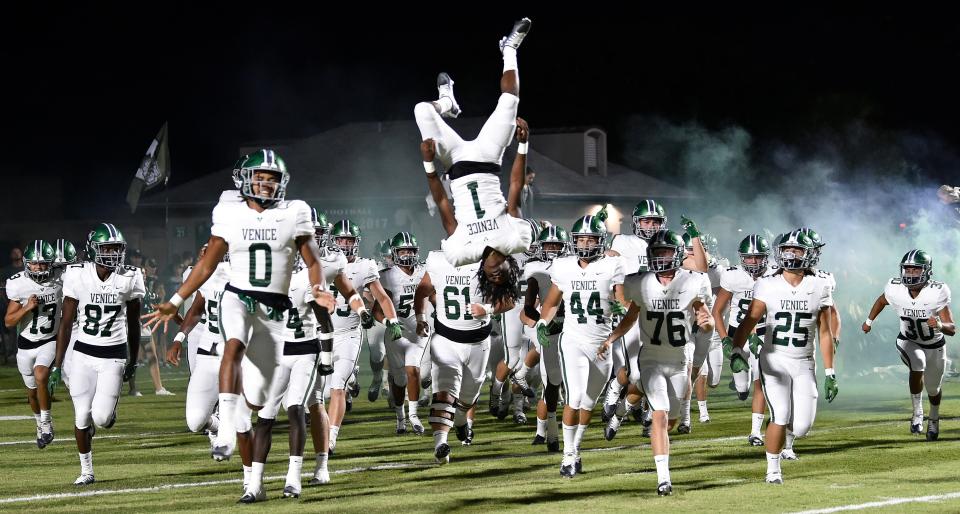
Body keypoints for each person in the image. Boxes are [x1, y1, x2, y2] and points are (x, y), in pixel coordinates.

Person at [143, 149, 336, 503]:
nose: (266, 184)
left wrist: (319, 289)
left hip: (273, 315)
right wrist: (173, 301)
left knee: (260, 404)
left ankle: (251, 474)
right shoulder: (229, 214)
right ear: (245, 182)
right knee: (234, 343)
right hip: (238, 299)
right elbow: (205, 266)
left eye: (272, 178)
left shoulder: (295, 213)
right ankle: (226, 428)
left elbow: (313, 259)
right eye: (260, 177)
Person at [415, 18, 535, 280]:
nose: (496, 275)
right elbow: (515, 186)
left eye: (491, 280)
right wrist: (523, 145)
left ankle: (446, 103)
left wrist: (429, 165)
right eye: (502, 278)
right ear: (511, 269)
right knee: (509, 102)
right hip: (489, 159)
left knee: (422, 110)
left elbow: (443, 201)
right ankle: (510, 49)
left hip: (454, 164)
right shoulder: (516, 241)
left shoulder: (461, 254)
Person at [599, 229, 713, 496]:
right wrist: (611, 337)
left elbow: (703, 316)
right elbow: (631, 313)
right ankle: (664, 479)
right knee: (659, 416)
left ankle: (620, 412)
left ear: (677, 254)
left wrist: (706, 325)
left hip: (678, 359)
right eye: (657, 253)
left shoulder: (693, 281)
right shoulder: (640, 282)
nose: (661, 258)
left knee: (671, 420)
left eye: (666, 252)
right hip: (651, 356)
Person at [730, 230, 837, 485]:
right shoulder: (767, 283)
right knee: (780, 413)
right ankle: (773, 470)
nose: (791, 254)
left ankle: (784, 438)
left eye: (798, 250)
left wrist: (830, 372)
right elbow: (750, 321)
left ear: (810, 254)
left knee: (801, 427)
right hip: (774, 359)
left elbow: (825, 332)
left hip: (804, 361)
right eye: (787, 249)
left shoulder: (821, 284)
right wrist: (736, 350)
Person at [49, 223, 144, 485]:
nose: (113, 253)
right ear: (93, 249)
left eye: (117, 248)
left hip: (113, 354)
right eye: (107, 248)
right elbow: (66, 324)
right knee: (81, 415)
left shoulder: (130, 276)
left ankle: (107, 413)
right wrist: (58, 365)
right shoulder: (77, 274)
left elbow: (134, 324)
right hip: (82, 355)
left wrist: (133, 361)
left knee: (101, 418)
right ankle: (87, 470)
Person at [532, 213, 626, 479]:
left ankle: (576, 449)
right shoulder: (563, 267)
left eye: (590, 238)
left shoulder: (612, 265)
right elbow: (550, 303)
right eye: (581, 238)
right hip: (573, 340)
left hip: (602, 344)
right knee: (573, 398)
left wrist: (623, 308)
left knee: (587, 403)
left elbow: (623, 302)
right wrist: (541, 323)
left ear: (601, 240)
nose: (585, 243)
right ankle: (568, 457)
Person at [862, 249, 954, 440]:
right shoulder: (895, 288)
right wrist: (869, 321)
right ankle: (918, 413)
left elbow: (952, 328)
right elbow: (881, 300)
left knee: (933, 388)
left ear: (926, 271)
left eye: (915, 270)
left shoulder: (937, 292)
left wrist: (939, 324)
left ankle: (934, 418)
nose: (910, 274)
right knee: (917, 363)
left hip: (935, 344)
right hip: (908, 341)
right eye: (907, 269)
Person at [715, 234, 772, 446]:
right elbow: (717, 311)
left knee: (761, 383)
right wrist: (725, 340)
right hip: (737, 333)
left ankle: (755, 432)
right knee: (742, 388)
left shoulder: (774, 275)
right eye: (749, 258)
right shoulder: (733, 276)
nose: (754, 262)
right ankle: (740, 386)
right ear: (741, 258)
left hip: (763, 333)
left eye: (758, 257)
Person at [4, 240, 61, 448]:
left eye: (43, 263)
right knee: (31, 394)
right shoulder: (19, 284)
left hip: (48, 340)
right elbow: (9, 322)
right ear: (27, 263)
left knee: (41, 375)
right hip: (25, 345)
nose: (38, 267)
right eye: (35, 263)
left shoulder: (61, 279)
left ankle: (47, 423)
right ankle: (39, 424)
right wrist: (26, 307)